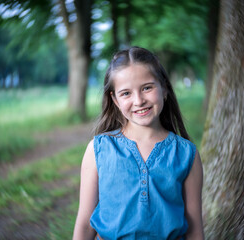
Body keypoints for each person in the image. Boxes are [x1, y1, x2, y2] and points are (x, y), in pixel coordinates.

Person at [73, 46, 204, 240]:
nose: (139, 100)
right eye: (126, 93)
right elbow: (85, 224)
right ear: (115, 100)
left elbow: (194, 229)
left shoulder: (186, 154)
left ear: (164, 88)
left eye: (147, 88)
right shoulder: (98, 150)